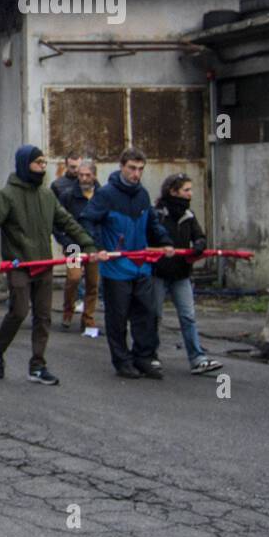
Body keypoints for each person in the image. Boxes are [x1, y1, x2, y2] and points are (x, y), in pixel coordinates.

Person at [0, 145, 105, 386]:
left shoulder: (47, 196)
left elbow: (68, 222)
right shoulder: (6, 195)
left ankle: (37, 365)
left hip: (44, 264)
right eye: (38, 163)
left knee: (43, 316)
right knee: (18, 312)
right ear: (25, 164)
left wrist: (89, 247)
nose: (42, 167)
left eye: (44, 163)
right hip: (18, 265)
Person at [80, 147, 175, 379]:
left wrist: (165, 241)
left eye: (140, 169)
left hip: (140, 265)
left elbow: (152, 223)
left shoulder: (142, 194)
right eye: (132, 168)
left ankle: (144, 357)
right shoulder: (107, 195)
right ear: (122, 166)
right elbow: (87, 221)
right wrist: (97, 248)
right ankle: (122, 360)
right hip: (116, 267)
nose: (136, 174)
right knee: (118, 316)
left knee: (147, 314)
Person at [153, 174, 222, 375]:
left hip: (181, 274)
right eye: (186, 190)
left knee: (188, 316)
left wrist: (200, 244)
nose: (190, 194)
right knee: (154, 316)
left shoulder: (188, 215)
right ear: (173, 191)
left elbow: (199, 236)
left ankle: (197, 358)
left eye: (191, 190)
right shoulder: (157, 214)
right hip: (159, 272)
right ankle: (151, 356)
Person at [56, 158, 102, 337]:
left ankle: (88, 317)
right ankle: (68, 310)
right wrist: (65, 241)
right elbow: (58, 220)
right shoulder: (68, 195)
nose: (83, 178)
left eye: (87, 175)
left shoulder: (101, 195)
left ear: (94, 176)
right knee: (74, 278)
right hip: (74, 244)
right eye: (81, 175)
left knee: (93, 283)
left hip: (94, 245)